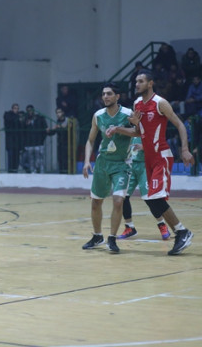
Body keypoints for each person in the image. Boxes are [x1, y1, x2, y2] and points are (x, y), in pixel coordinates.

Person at [107, 69, 194, 255]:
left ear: (150, 83)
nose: (137, 84)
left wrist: (185, 149)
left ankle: (182, 232)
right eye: (136, 82)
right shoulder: (137, 104)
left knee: (155, 198)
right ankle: (181, 232)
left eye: (141, 81)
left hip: (161, 156)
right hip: (148, 158)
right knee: (152, 200)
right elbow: (138, 132)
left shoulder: (160, 103)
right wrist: (117, 129)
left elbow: (180, 125)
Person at [82, 82, 132, 254]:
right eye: (103, 94)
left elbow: (138, 132)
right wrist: (87, 161)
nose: (105, 96)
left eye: (109, 93)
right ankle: (97, 236)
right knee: (96, 202)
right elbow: (90, 141)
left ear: (117, 96)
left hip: (121, 163)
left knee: (118, 200)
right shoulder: (98, 115)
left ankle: (112, 238)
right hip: (103, 162)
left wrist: (119, 129)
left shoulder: (128, 114)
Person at [118, 137, 171, 240]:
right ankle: (129, 227)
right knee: (123, 196)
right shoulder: (128, 130)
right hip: (130, 165)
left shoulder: (148, 129)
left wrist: (144, 147)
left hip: (144, 166)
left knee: (149, 199)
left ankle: (162, 224)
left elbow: (159, 146)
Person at [23, 105, 47, 173]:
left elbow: (45, 129)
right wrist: (26, 124)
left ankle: (41, 172)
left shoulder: (40, 118)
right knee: (31, 160)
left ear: (33, 110)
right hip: (29, 143)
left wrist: (42, 139)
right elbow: (23, 132)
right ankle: (33, 173)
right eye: (28, 110)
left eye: (31, 110)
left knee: (39, 160)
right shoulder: (25, 120)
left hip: (39, 142)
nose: (29, 112)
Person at [47, 107, 68, 174]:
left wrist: (60, 127)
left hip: (68, 143)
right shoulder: (58, 121)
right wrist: (49, 131)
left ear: (63, 113)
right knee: (60, 159)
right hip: (60, 143)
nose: (58, 114)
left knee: (66, 159)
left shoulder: (67, 120)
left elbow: (68, 129)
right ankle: (61, 172)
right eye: (57, 113)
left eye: (59, 112)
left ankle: (66, 172)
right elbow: (54, 132)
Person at [3, 103, 22, 173]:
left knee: (16, 157)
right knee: (11, 156)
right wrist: (18, 117)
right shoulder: (8, 115)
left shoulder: (18, 116)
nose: (16, 110)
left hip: (17, 141)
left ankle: (15, 170)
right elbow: (10, 120)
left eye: (17, 109)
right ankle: (11, 170)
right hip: (10, 140)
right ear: (12, 109)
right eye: (15, 108)